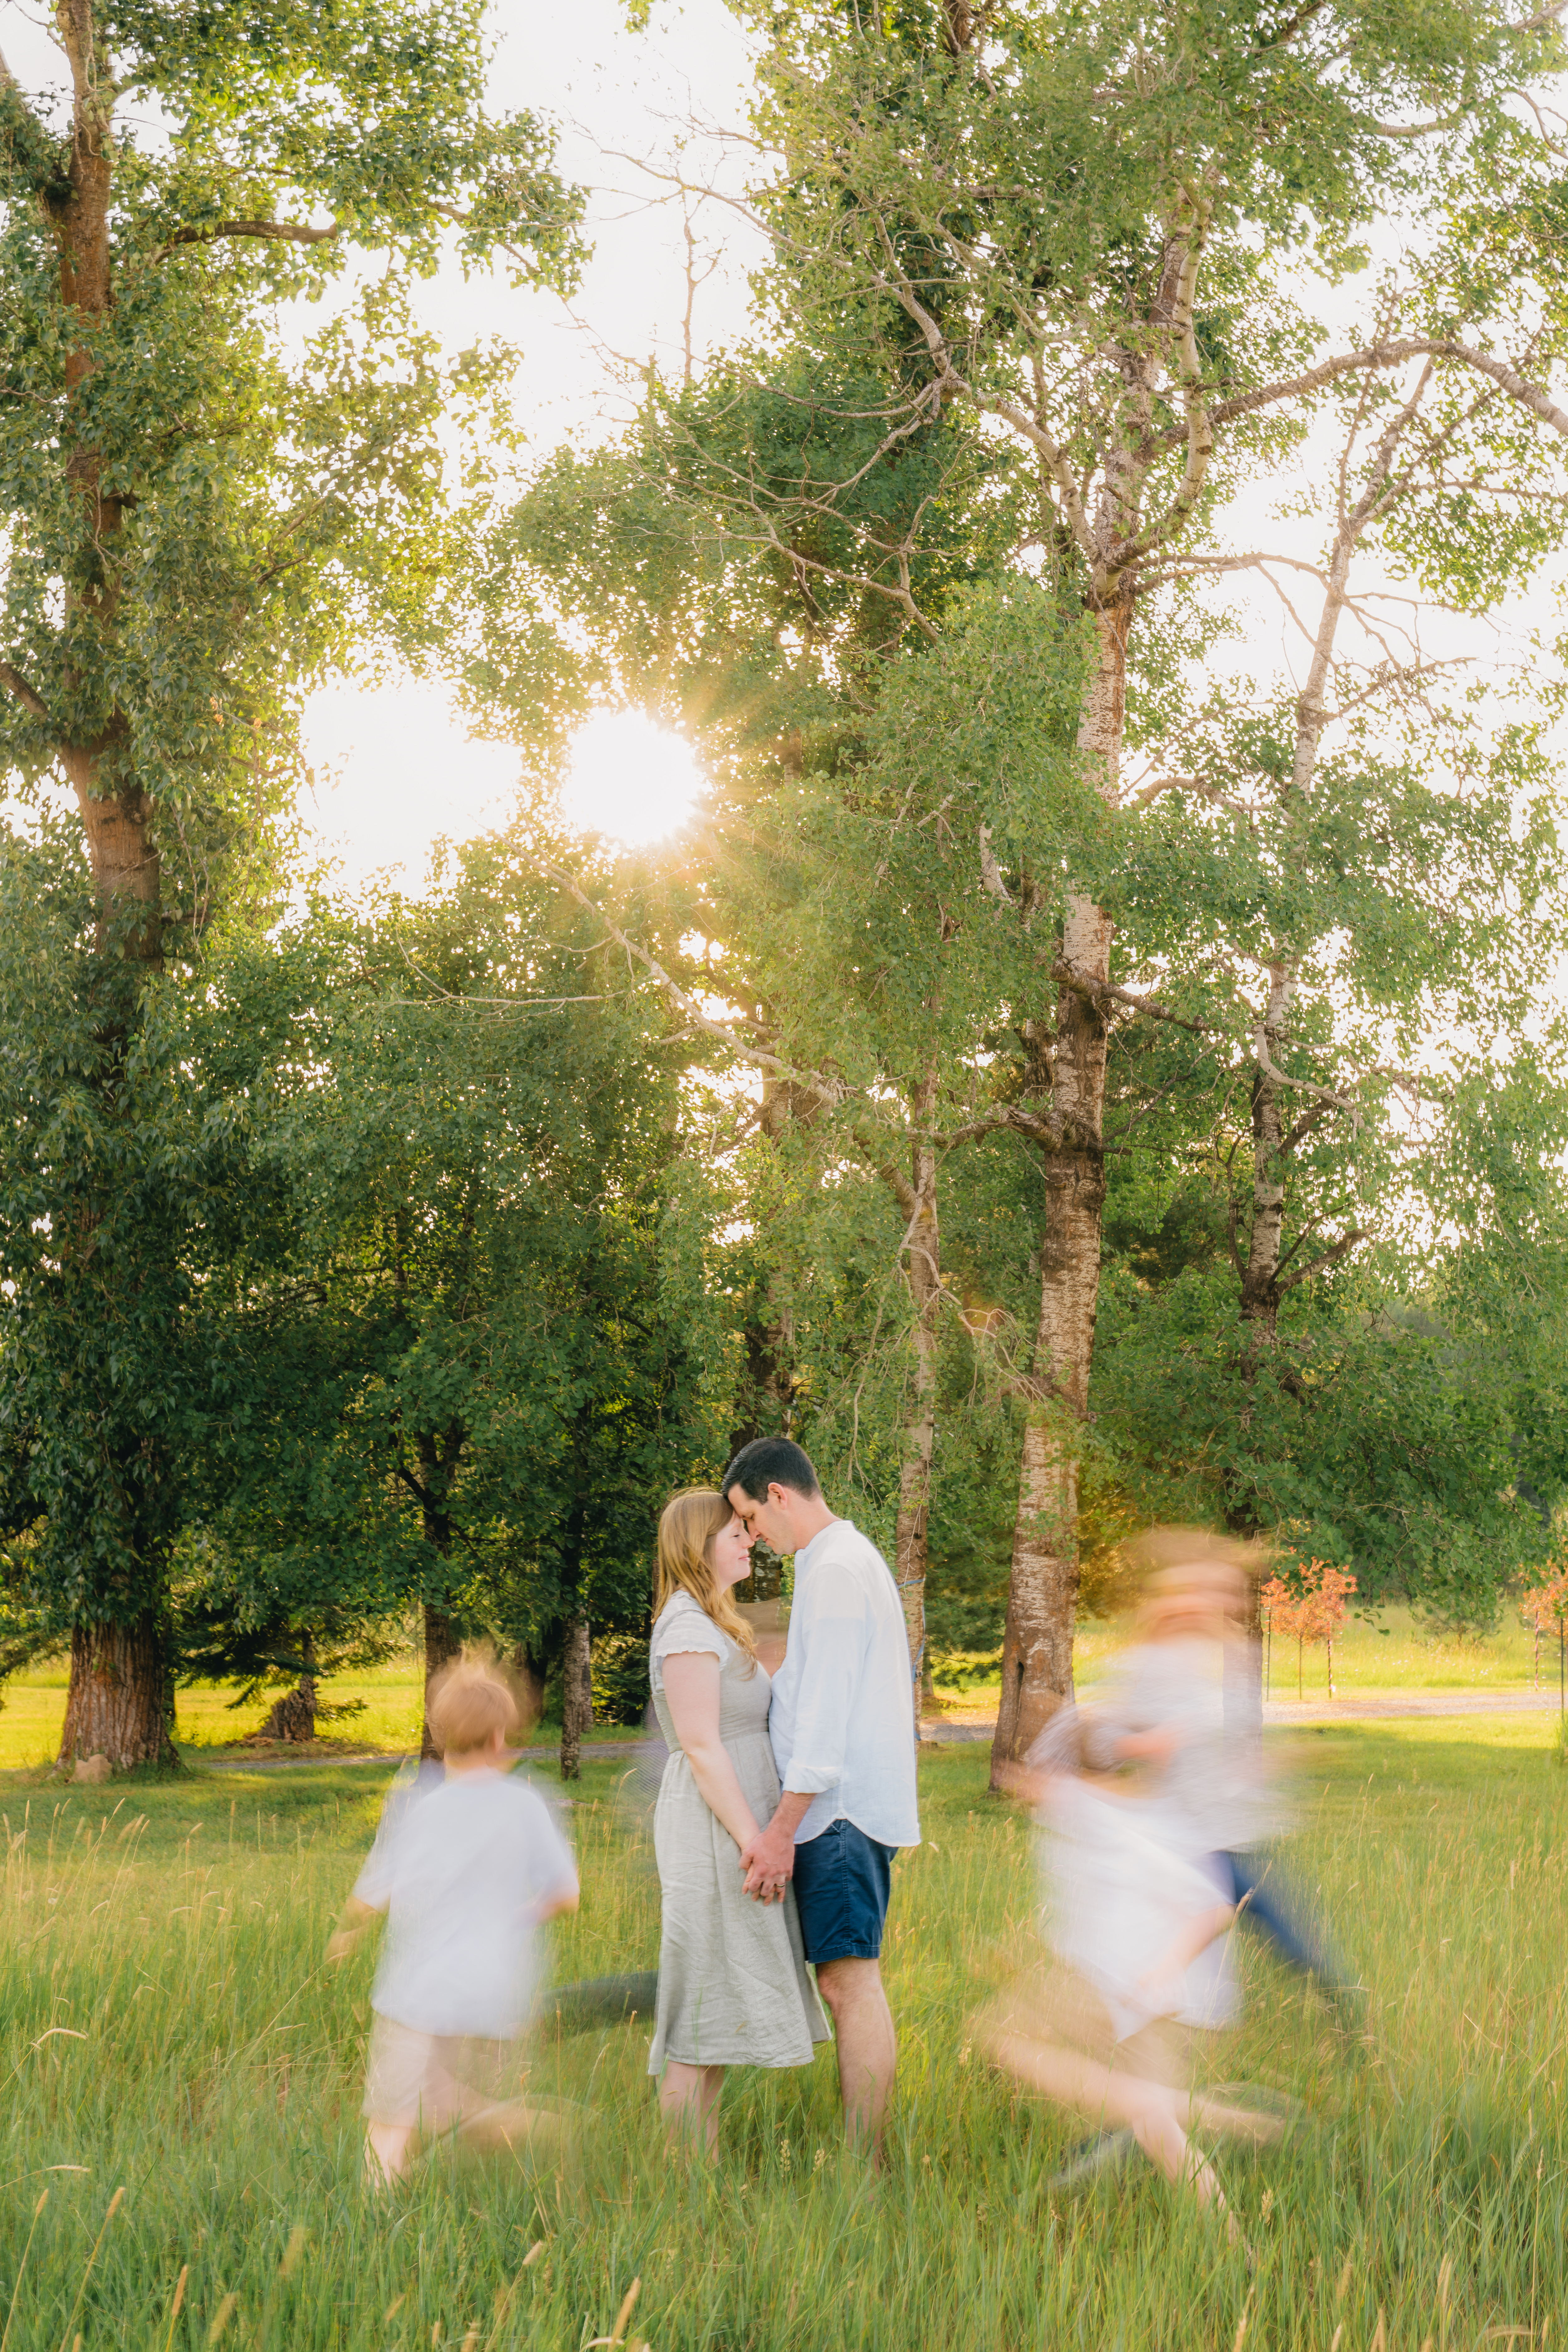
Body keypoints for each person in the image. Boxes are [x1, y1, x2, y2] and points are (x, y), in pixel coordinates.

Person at [723, 1437, 920, 2152]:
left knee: (849, 1984)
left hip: (838, 1816)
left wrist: (781, 1830)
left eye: (750, 1517)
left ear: (777, 1492)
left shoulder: (836, 1568)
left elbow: (826, 1723)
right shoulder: (832, 1562)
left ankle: (864, 2164)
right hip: (839, 1814)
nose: (753, 1536)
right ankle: (863, 2155)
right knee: (846, 1981)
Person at [326, 1649, 580, 2187]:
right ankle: (520, 2126)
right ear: (496, 1739)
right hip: (492, 1992)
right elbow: (565, 1894)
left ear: (445, 1739)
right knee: (440, 2098)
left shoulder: (419, 1803)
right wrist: (519, 1916)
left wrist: (349, 1929)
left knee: (391, 2119)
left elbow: (373, 1892)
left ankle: (374, 2219)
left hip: (420, 1990)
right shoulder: (526, 1804)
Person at [647, 1487, 830, 2152]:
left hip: (734, 1827)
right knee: (701, 2011)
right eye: (734, 1534)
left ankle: (700, 2168)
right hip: (715, 1830)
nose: (749, 1539)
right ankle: (679, 2178)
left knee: (717, 2007)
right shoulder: (688, 1628)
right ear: (699, 1548)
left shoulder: (710, 1620)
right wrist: (755, 1839)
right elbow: (699, 1744)